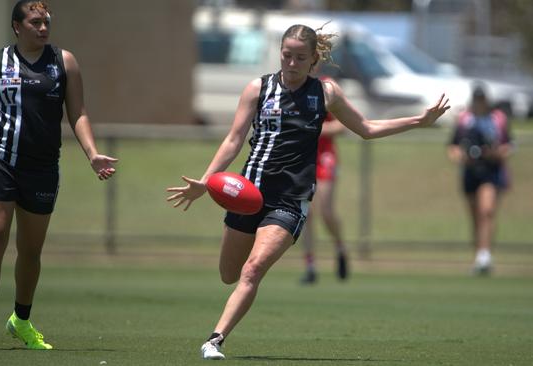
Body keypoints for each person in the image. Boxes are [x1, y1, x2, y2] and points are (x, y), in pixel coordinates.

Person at [166, 24, 449, 360]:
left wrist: (419, 120)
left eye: (301, 57)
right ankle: (220, 329)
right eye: (287, 55)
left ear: (314, 58)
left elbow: (367, 129)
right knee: (229, 274)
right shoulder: (258, 89)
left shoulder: (325, 93)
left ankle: (214, 340)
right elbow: (233, 140)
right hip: (248, 193)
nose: (292, 63)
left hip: (289, 201)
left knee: (253, 269)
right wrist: (206, 181)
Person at [0, 1, 117, 350]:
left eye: (46, 22)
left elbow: (77, 113)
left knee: (30, 250)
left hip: (42, 166)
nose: (43, 28)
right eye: (35, 22)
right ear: (17, 26)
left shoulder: (64, 62)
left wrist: (92, 154)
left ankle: (21, 319)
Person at [447, 85, 512, 275]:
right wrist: (461, 157)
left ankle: (485, 255)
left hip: (491, 170)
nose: (479, 102)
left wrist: (495, 154)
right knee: (475, 215)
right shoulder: (465, 119)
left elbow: (509, 145)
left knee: (487, 211)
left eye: (482, 99)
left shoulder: (497, 118)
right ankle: (479, 255)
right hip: (470, 171)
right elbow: (453, 146)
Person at [300, 75, 348, 284]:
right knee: (305, 214)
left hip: (325, 157)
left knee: (326, 211)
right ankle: (310, 267)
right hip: (302, 158)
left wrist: (315, 128)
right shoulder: (290, 85)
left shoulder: (326, 87)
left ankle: (340, 248)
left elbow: (341, 126)